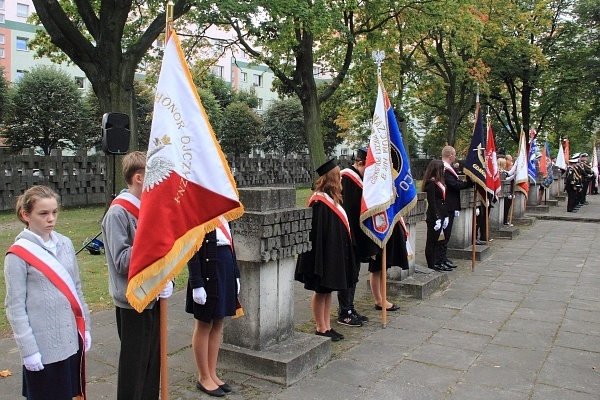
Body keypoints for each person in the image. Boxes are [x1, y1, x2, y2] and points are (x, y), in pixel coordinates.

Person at [5, 185, 91, 400]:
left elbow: (77, 288)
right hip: (42, 348)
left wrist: (85, 327)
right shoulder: (17, 255)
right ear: (26, 215)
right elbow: (15, 307)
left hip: (70, 340)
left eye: (54, 212)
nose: (51, 218)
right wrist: (28, 349)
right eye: (43, 213)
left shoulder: (65, 243)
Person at [102, 151, 174, 400]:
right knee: (134, 367)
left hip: (154, 295)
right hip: (133, 301)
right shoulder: (117, 213)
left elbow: (164, 253)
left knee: (152, 365)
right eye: (156, 176)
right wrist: (150, 236)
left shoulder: (149, 209)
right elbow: (122, 261)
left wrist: (168, 279)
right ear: (139, 178)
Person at [295, 158, 357, 342]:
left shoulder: (332, 199)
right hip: (322, 255)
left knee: (328, 291)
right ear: (332, 178)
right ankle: (320, 327)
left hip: (333, 253)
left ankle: (327, 325)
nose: (340, 180)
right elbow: (319, 233)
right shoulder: (319, 202)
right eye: (338, 176)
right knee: (320, 290)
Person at [186, 216, 241, 397]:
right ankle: (203, 376)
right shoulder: (199, 206)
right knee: (204, 323)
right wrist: (196, 282)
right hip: (206, 271)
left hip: (224, 267)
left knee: (218, 322)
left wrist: (236, 274)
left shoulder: (223, 206)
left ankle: (212, 372)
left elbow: (230, 243)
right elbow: (191, 246)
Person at [337, 148, 374, 326]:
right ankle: (344, 311)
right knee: (348, 274)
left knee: (355, 274)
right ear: (360, 163)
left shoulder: (359, 179)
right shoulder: (347, 178)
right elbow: (349, 211)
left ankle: (350, 307)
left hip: (357, 236)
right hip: (347, 236)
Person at [440, 146, 472, 268]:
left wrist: (467, 183)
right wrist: (467, 184)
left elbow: (456, 182)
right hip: (446, 205)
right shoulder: (444, 169)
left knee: (447, 235)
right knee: (443, 234)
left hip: (450, 205)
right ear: (451, 156)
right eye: (454, 155)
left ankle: (443, 258)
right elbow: (453, 185)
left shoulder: (449, 169)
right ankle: (440, 259)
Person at [421, 160, 451, 271]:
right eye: (442, 168)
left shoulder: (440, 182)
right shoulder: (431, 183)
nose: (444, 170)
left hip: (442, 213)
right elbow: (432, 202)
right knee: (432, 241)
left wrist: (446, 215)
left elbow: (443, 201)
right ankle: (431, 263)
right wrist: (437, 218)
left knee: (441, 240)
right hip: (434, 216)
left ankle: (439, 261)